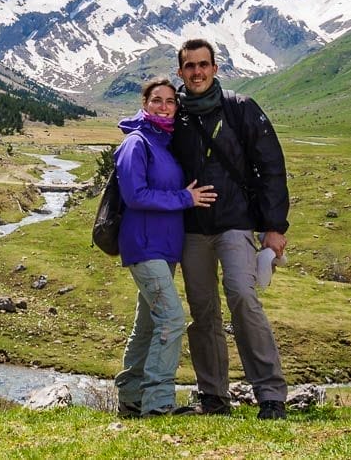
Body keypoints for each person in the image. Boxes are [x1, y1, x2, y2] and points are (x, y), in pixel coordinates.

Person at [169, 38, 291, 420]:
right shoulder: (175, 115)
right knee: (202, 311)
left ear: (216, 68)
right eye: (190, 66)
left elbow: (271, 167)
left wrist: (274, 228)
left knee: (242, 295)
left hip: (236, 223)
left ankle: (271, 395)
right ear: (181, 72)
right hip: (192, 228)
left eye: (203, 65)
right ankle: (213, 397)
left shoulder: (241, 108)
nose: (197, 72)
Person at [113, 76, 217, 418]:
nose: (164, 106)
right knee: (172, 319)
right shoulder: (137, 143)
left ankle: (130, 398)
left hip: (163, 247)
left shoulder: (164, 142)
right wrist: (185, 198)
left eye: (170, 101)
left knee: (147, 324)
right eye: (157, 100)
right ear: (145, 104)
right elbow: (135, 195)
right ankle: (157, 405)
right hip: (144, 246)